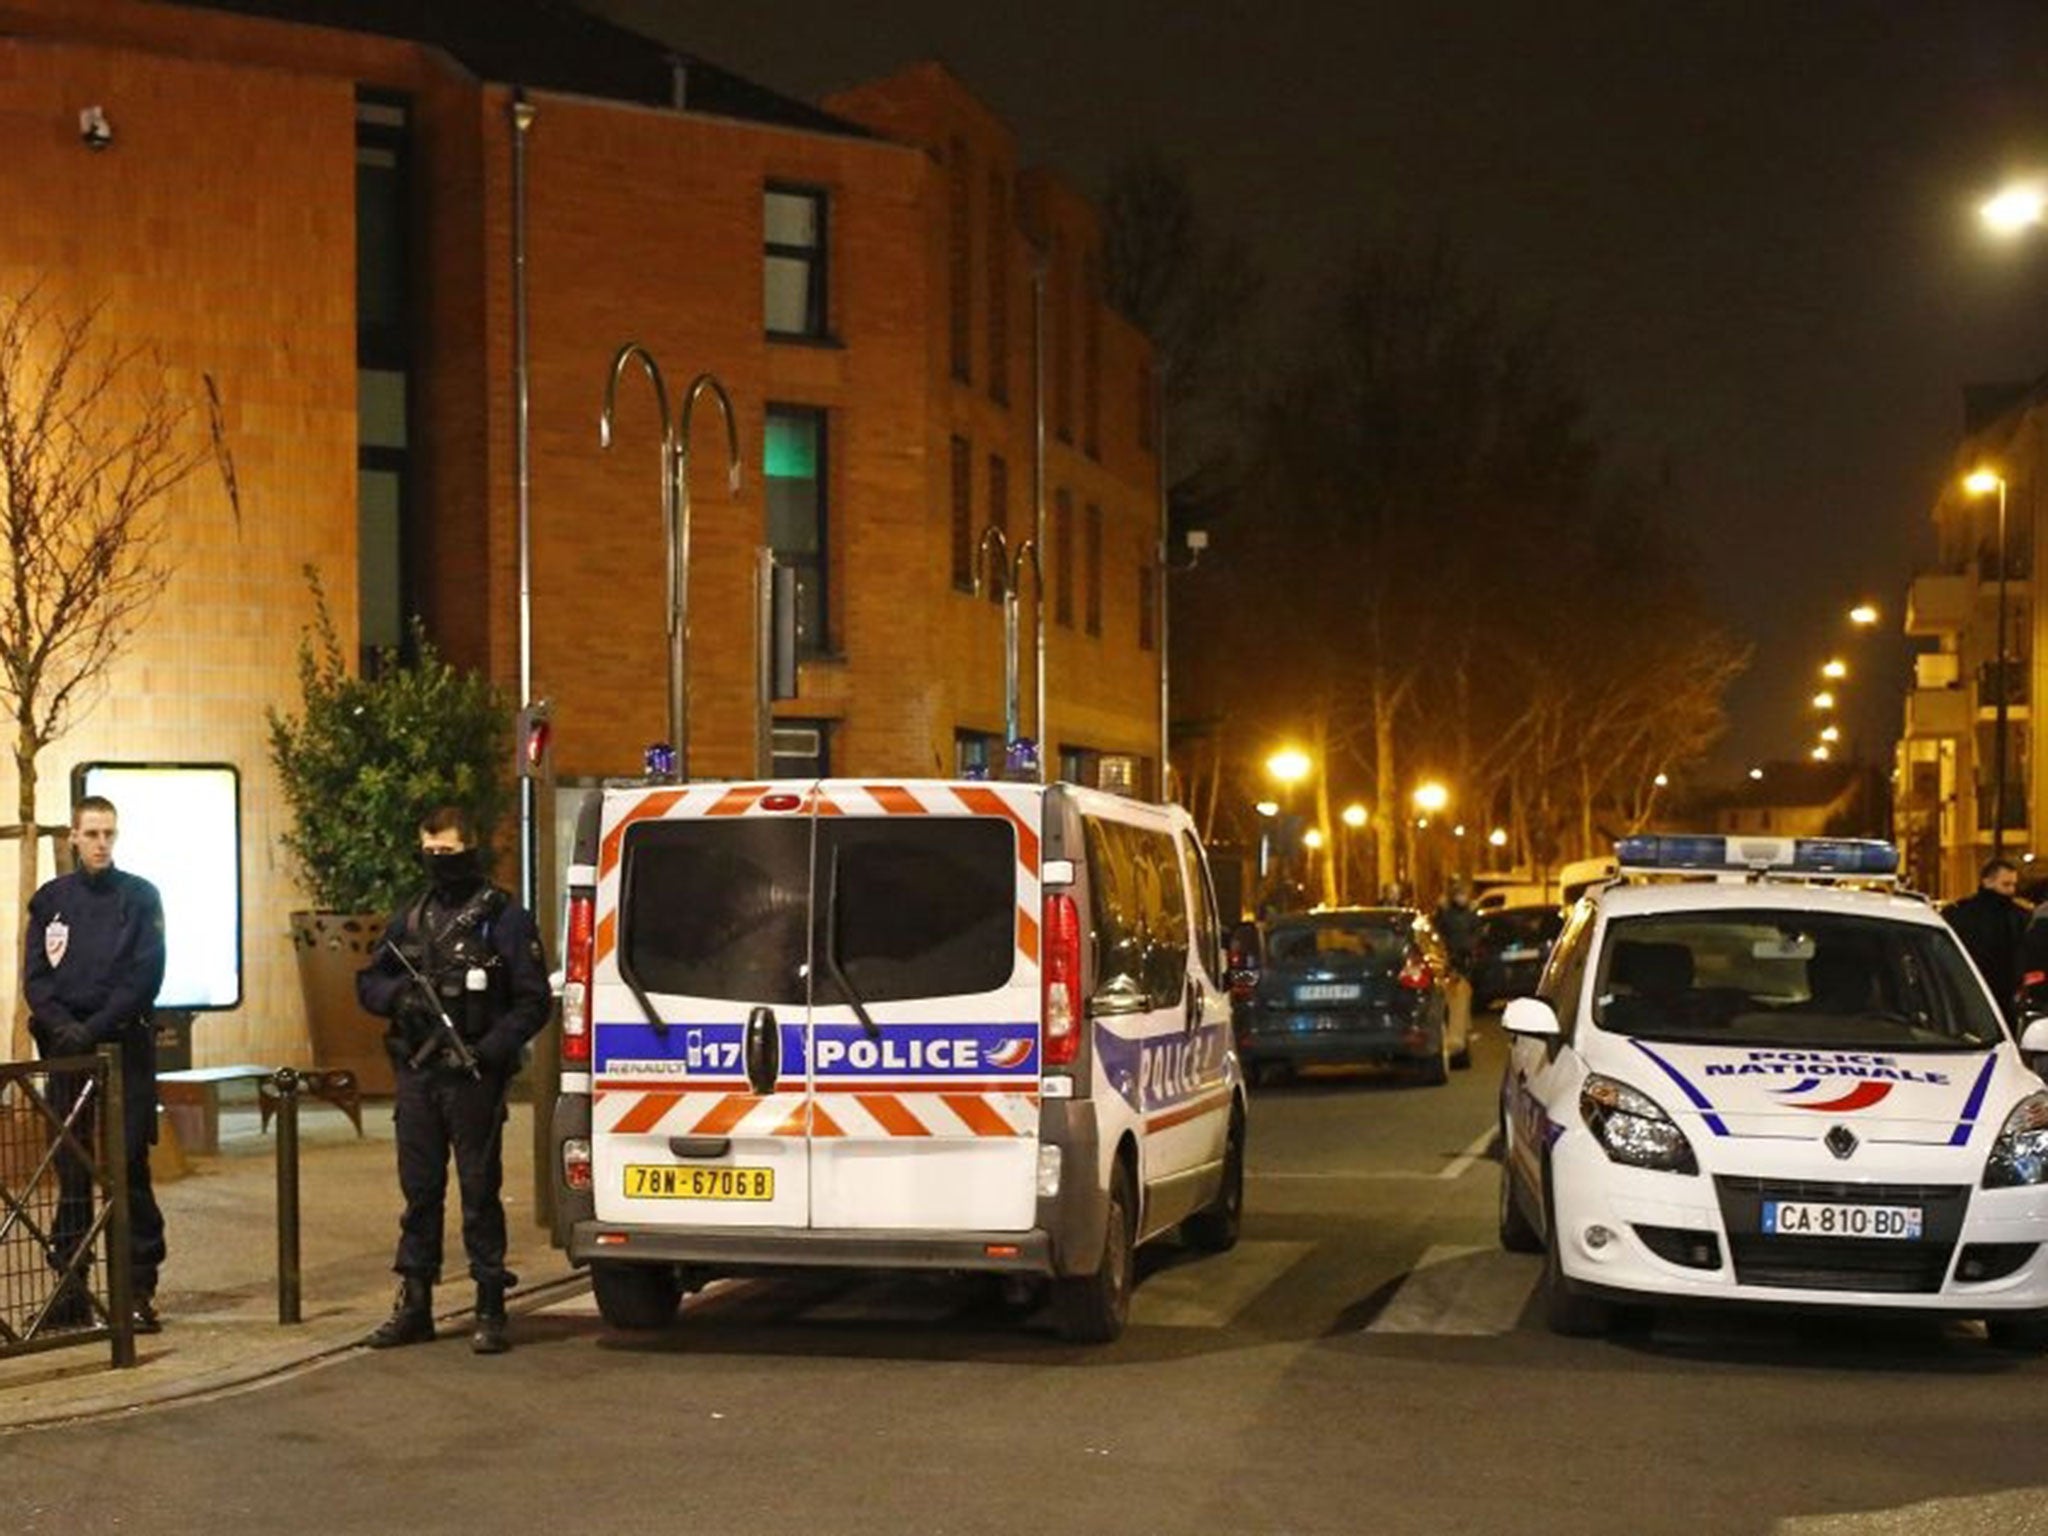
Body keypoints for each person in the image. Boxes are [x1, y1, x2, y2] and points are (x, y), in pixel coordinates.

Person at [356, 804, 550, 1355]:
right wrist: (403, 996)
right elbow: (369, 983)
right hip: (419, 1073)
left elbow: (533, 1001)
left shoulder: (503, 918)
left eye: (448, 852)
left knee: (478, 1191)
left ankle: (490, 1303)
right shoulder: (411, 916)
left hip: (474, 1075)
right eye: (430, 852)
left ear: (470, 848)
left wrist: (491, 1050)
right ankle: (415, 1303)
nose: (438, 862)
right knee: (419, 1193)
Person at [23, 795, 168, 1333]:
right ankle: (71, 1287)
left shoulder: (140, 897)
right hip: (67, 1053)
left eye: (110, 833)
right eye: (92, 834)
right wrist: (63, 1028)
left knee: (128, 1166)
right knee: (72, 1170)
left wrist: (96, 1025)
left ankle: (136, 1291)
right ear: (74, 838)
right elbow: (37, 976)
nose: (102, 843)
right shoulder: (51, 901)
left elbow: (143, 976)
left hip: (122, 1051)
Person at [1944, 857, 2027, 1019]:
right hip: (1977, 992)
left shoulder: (2019, 916)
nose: (2011, 890)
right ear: (1987, 882)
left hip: (1994, 995)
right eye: (2006, 884)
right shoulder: (2018, 917)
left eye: (2013, 885)